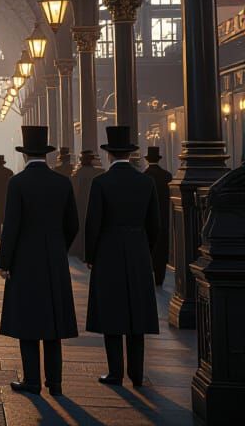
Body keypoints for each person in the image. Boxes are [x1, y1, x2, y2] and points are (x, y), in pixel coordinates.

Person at [0, 125, 79, 397]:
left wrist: (5, 262)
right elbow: (73, 225)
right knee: (53, 324)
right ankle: (55, 384)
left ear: (24, 155)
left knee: (28, 322)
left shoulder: (18, 183)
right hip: (54, 261)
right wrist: (58, 248)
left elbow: (11, 226)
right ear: (45, 154)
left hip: (24, 262)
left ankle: (32, 381)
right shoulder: (62, 183)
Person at [86, 126, 160, 387]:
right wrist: (144, 250)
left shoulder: (101, 183)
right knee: (137, 315)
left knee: (112, 313)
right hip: (138, 250)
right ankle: (137, 374)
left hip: (109, 251)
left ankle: (115, 372)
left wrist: (91, 255)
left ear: (109, 155)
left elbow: (93, 224)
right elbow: (155, 226)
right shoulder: (146, 182)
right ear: (130, 154)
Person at [143, 146, 172, 287]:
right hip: (164, 217)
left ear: (147, 160)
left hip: (148, 218)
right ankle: (160, 278)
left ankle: (149, 274)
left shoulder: (144, 176)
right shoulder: (167, 176)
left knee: (150, 248)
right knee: (162, 248)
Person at [69, 150, 99, 260]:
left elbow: (74, 191)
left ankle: (81, 251)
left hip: (81, 204)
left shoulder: (77, 173)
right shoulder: (97, 173)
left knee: (81, 226)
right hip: (93, 202)